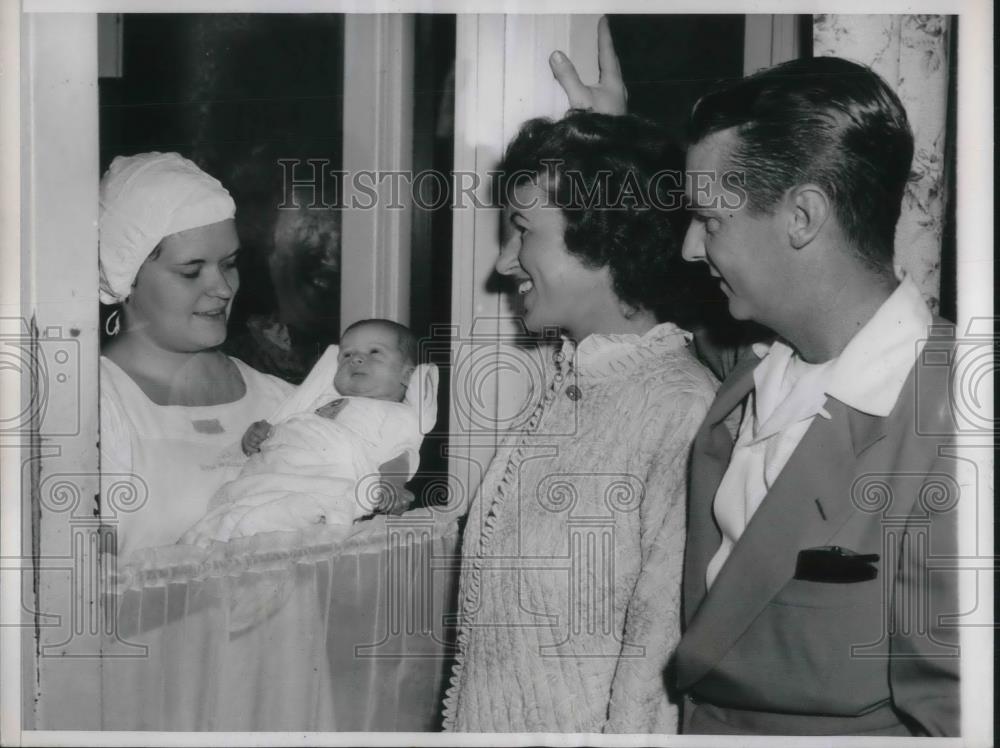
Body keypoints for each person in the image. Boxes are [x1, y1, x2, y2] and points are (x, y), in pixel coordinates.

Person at [550, 21, 959, 737]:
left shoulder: (955, 428)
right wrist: (612, 138)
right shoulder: (750, 355)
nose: (687, 246)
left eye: (709, 220)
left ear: (801, 217)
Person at [441, 111, 717, 732]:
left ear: (602, 237)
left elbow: (657, 678)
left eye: (521, 231)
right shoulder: (573, 385)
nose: (505, 263)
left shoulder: (679, 407)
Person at [98, 151, 297, 557]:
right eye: (192, 270)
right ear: (126, 276)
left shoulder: (281, 401)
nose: (223, 288)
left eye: (230, 264)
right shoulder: (94, 411)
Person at [182, 319, 433, 543]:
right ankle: (220, 531)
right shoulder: (321, 401)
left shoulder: (398, 415)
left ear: (407, 375)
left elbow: (400, 455)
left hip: (325, 484)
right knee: (234, 513)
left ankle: (257, 527)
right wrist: (262, 433)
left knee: (285, 518)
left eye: (374, 352)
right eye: (346, 355)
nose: (355, 359)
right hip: (275, 476)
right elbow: (291, 429)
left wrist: (391, 484)